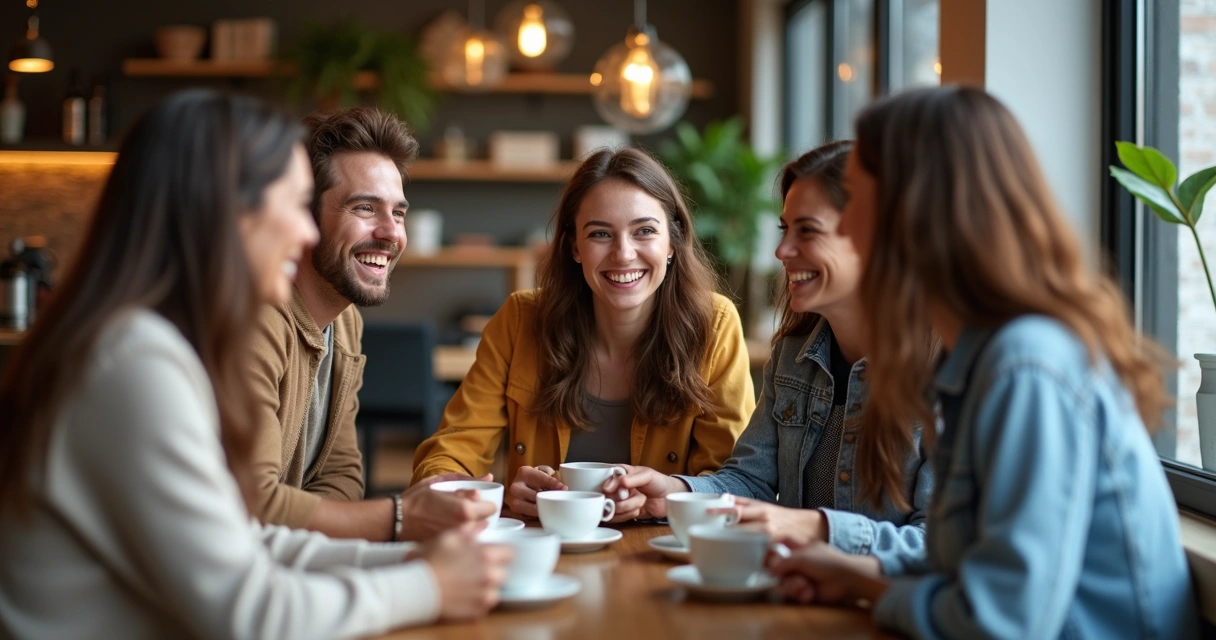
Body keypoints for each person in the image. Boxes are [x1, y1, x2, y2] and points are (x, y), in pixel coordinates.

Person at [0, 91, 510, 639]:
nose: (308, 232)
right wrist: (428, 583)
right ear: (224, 210)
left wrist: (414, 564)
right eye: (293, 204)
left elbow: (243, 537)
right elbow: (251, 612)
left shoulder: (147, 344)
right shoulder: (133, 362)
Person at [769, 86, 1198, 639]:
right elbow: (965, 563)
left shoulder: (1026, 367)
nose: (846, 227)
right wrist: (857, 569)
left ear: (920, 212)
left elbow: (1000, 622)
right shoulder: (977, 359)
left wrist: (863, 584)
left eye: (862, 198)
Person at [606, 142, 931, 571]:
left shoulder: (943, 373)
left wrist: (816, 528)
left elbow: (942, 546)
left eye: (807, 231)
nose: (782, 251)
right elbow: (751, 481)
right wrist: (674, 492)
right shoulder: (793, 355)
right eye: (785, 229)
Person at [411, 147, 756, 519]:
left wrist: (665, 494)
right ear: (575, 246)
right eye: (600, 234)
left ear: (671, 242)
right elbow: (453, 451)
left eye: (644, 231)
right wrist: (497, 494)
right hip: (543, 548)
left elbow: (733, 481)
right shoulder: (519, 320)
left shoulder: (715, 325)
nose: (623, 254)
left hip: (663, 549)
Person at [246, 105, 494, 541]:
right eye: (365, 207)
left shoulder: (345, 324)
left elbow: (342, 476)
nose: (391, 233)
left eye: (398, 213)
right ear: (305, 217)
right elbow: (253, 504)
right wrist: (402, 516)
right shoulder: (256, 320)